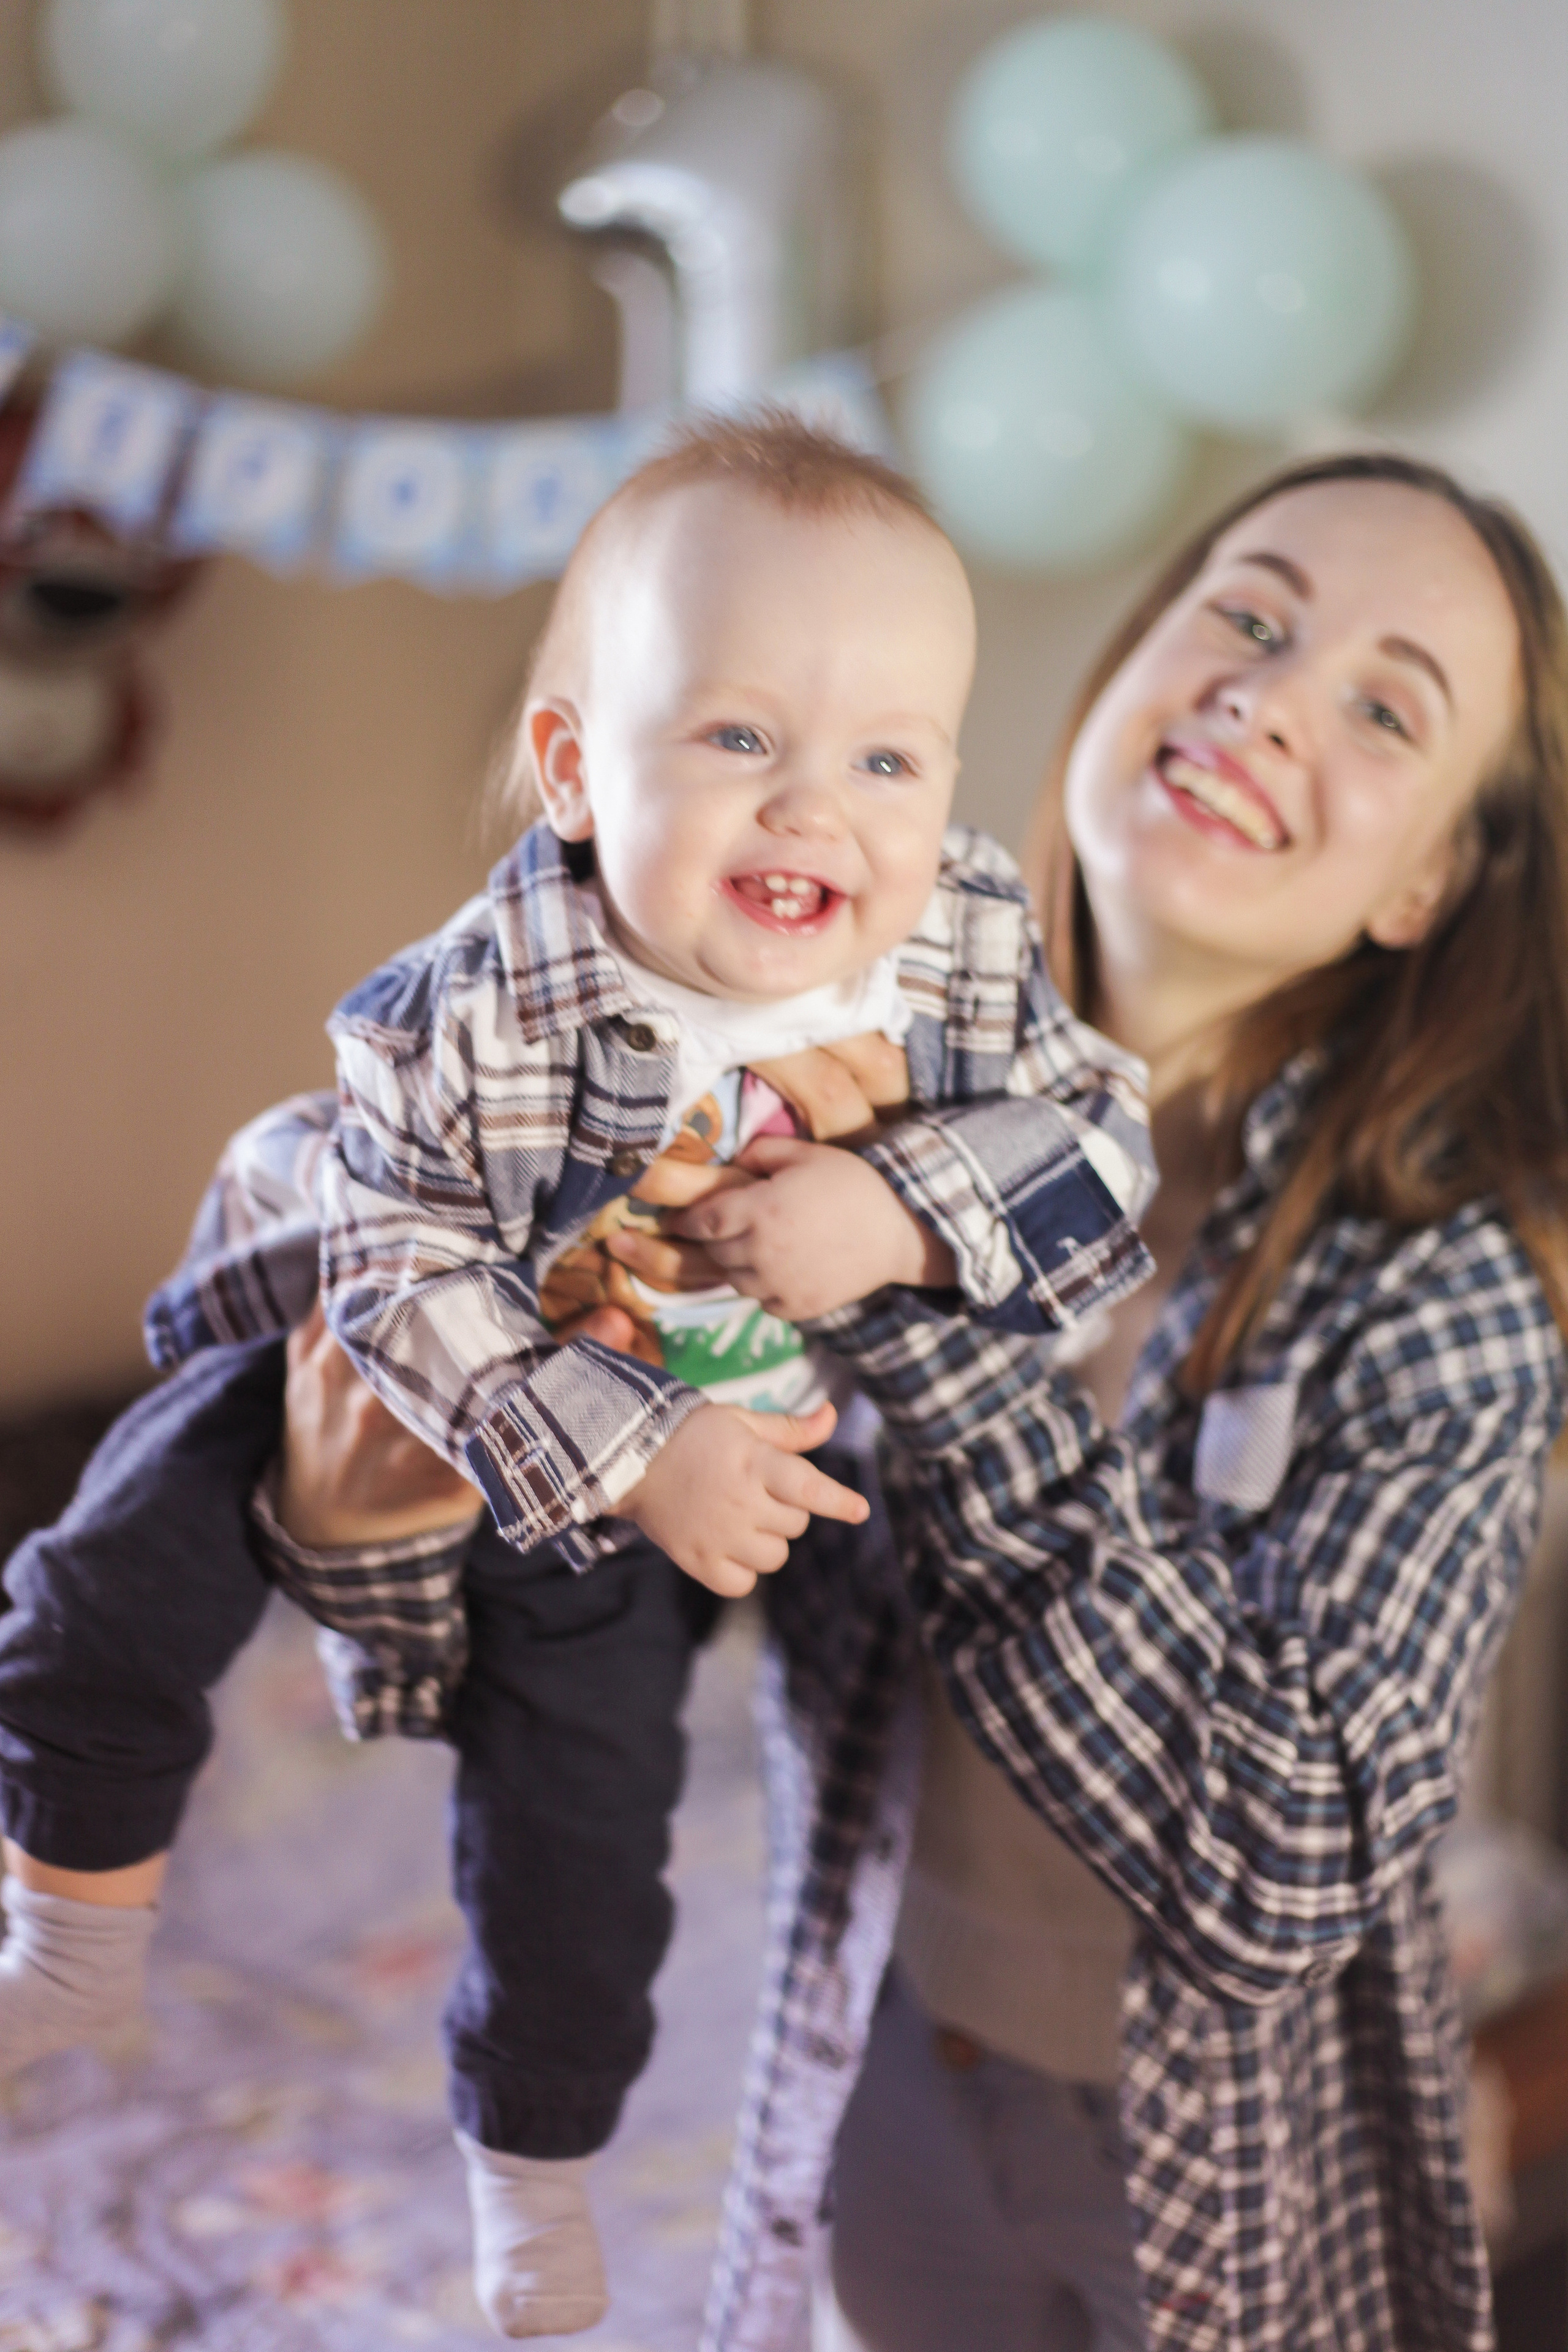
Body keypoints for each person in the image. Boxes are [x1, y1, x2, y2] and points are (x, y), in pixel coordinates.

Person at [287, 450, 1568, 2349]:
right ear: (1126, 672)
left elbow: (1281, 1868)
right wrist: (375, 1517)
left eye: (1383, 706)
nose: (1268, 699)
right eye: (1248, 614)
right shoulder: (757, 1055)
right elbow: (602, 1634)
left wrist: (905, 1260)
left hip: (1221, 2157)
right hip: (878, 2051)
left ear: (1427, 883)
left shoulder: (1447, 1296)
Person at [0, 415, 1152, 2340]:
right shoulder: (480, 996)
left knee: (582, 1854)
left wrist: (893, 1202)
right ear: (573, 769)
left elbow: (1103, 1157)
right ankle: (69, 1926)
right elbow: (397, 1271)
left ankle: (529, 2170)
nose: (816, 810)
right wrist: (639, 1454)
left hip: (660, 1462)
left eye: (888, 756)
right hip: (373, 1356)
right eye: (739, 737)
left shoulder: (951, 950)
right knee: (97, 1586)